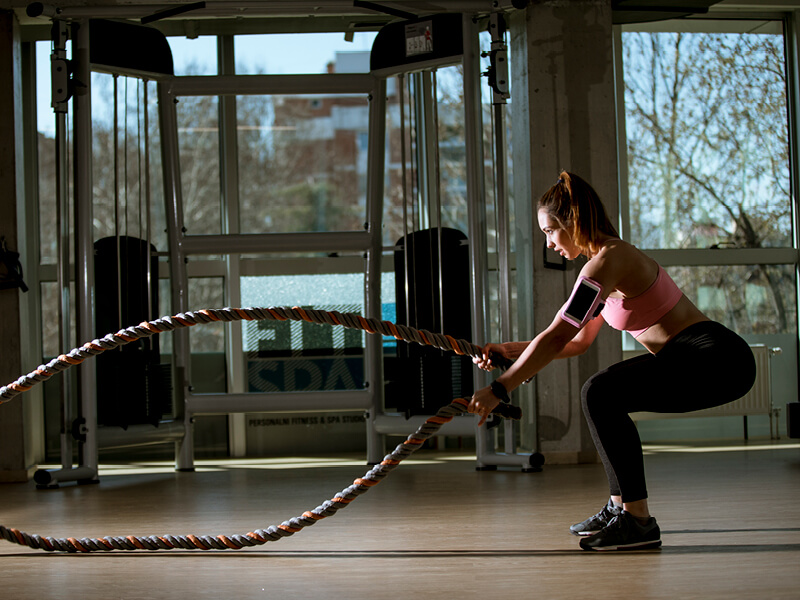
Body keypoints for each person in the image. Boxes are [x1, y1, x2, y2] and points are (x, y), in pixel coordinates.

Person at [467, 171, 756, 551]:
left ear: (574, 220)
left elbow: (558, 336)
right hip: (693, 357)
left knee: (600, 392)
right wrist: (509, 350)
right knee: (602, 394)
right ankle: (621, 507)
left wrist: (500, 388)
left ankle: (637, 520)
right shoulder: (603, 273)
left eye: (551, 231)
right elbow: (577, 342)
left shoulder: (609, 261)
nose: (549, 242)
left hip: (715, 357)